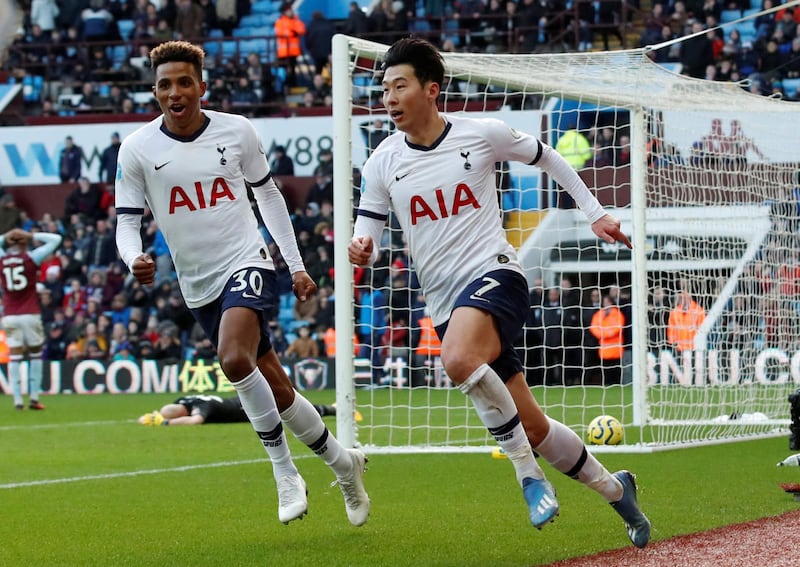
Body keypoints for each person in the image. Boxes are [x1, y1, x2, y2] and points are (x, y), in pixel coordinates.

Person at [348, 38, 650, 545]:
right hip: (446, 304)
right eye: (384, 89)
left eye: (400, 86)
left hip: (497, 275)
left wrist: (595, 213)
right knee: (531, 425)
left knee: (458, 359)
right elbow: (368, 232)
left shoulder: (481, 133)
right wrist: (362, 248)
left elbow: (549, 157)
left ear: (431, 89)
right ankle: (618, 491)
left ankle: (528, 478)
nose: (389, 98)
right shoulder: (382, 163)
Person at [114, 41, 369, 527]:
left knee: (233, 359)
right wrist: (134, 258)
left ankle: (284, 471)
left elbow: (269, 197)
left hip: (246, 262)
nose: (175, 91)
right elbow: (126, 222)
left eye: (184, 81)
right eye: (165, 84)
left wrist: (293, 264)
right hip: (198, 285)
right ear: (154, 92)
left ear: (201, 87)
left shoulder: (237, 132)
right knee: (276, 385)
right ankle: (344, 463)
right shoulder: (137, 149)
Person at [0, 228, 63, 410]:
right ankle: (34, 398)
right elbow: (55, 239)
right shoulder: (31, 258)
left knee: (15, 356)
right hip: (30, 313)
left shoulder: (2, 259)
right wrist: (31, 235)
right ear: (24, 243)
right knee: (35, 354)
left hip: (10, 315)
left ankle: (18, 400)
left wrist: (7, 235)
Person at [138, 394, 337, 425]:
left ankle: (332, 409)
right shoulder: (187, 400)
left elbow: (195, 421)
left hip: (245, 409)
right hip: (238, 401)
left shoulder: (200, 407)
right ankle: (332, 409)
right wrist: (152, 416)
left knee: (287, 408)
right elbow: (169, 410)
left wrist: (165, 423)